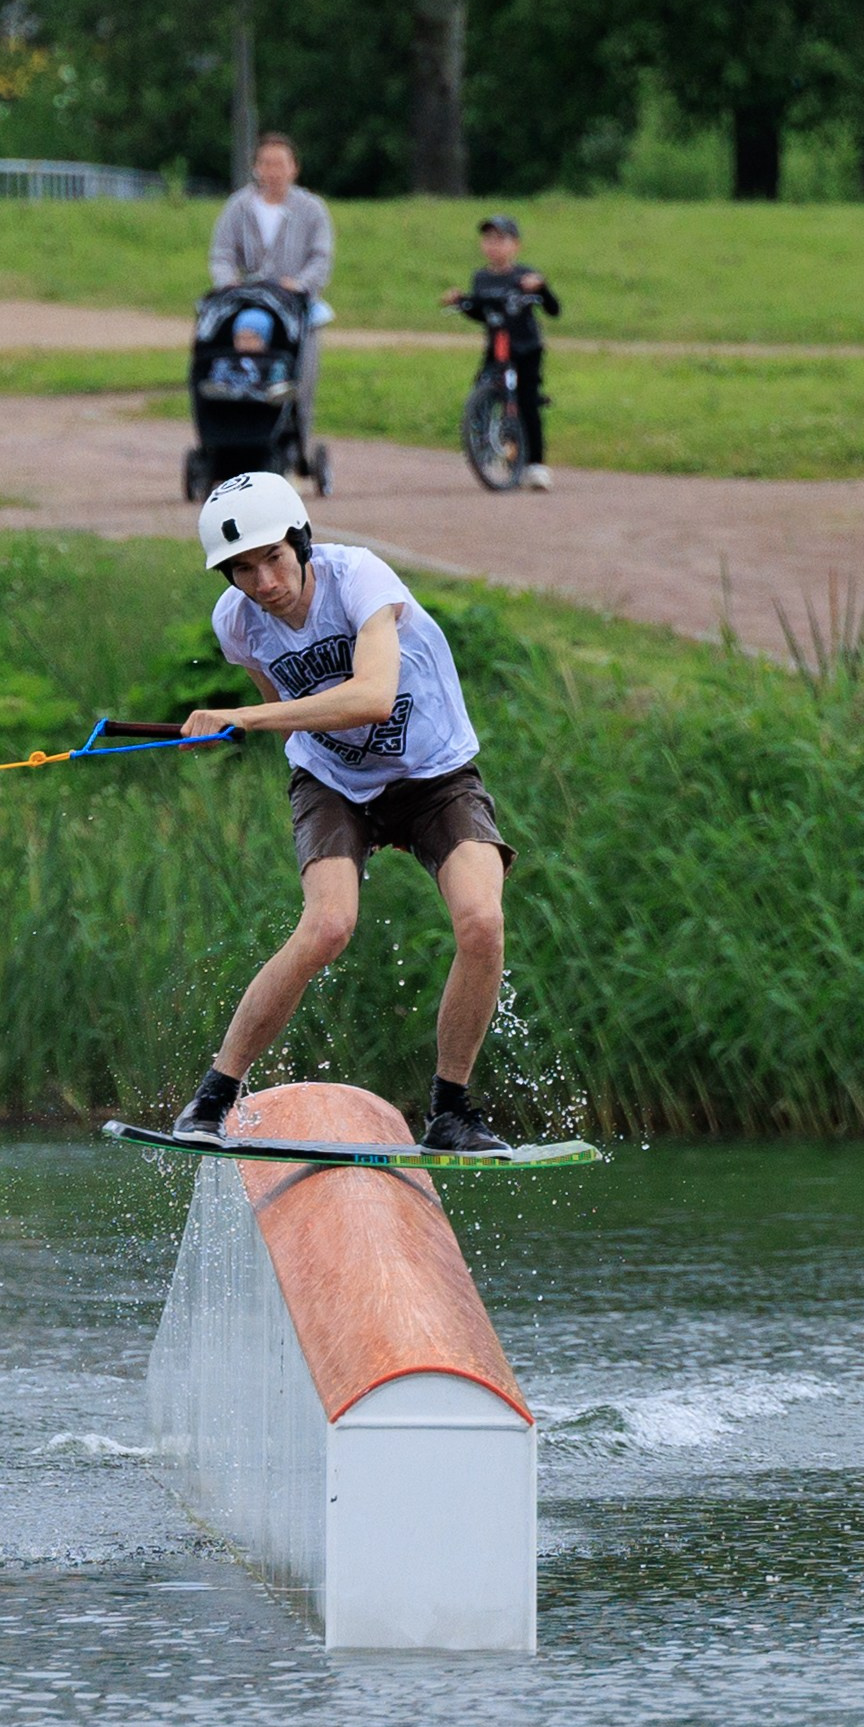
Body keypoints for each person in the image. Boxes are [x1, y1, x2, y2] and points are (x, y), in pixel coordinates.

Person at [167, 468, 518, 1156]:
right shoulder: (235, 623)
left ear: (300, 542)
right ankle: (211, 1099)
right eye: (240, 568)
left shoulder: (359, 578)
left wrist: (245, 716)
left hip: (433, 775)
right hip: (331, 784)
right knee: (327, 926)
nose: (262, 580)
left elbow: (371, 699)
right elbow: (297, 718)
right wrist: (261, 724)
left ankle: (451, 1110)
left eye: (272, 557)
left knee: (481, 921)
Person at [209, 131, 335, 446]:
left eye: (280, 164)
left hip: (294, 302)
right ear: (256, 167)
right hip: (250, 300)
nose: (273, 172)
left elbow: (321, 258)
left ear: (293, 168)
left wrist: (301, 283)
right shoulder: (238, 207)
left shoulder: (311, 209)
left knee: (303, 372)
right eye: (266, 164)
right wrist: (229, 282)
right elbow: (222, 254)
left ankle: (298, 442)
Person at [443, 213, 561, 492]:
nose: (494, 246)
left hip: (526, 348)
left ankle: (535, 464)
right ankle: (483, 448)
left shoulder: (525, 275)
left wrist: (542, 288)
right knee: (482, 391)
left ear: (515, 245)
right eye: (489, 240)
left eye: (501, 240)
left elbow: (554, 309)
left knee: (527, 401)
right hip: (497, 348)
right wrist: (462, 302)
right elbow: (482, 313)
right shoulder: (481, 278)